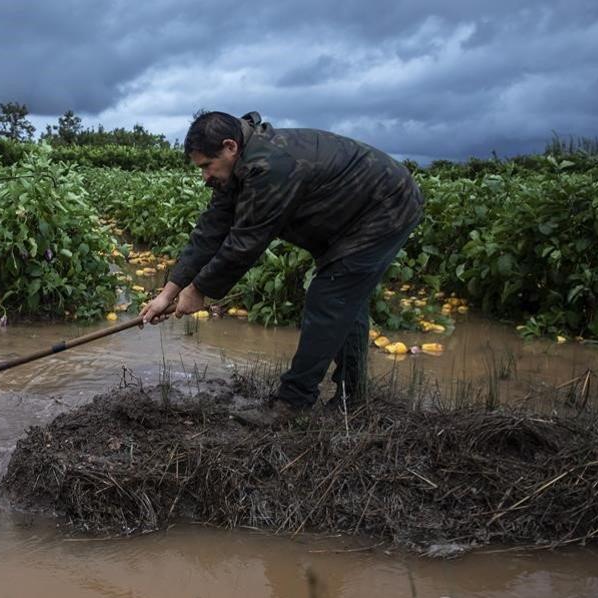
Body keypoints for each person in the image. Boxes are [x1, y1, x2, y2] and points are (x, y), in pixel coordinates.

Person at [140, 111, 423, 424]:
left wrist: (199, 291)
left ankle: (293, 402)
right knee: (346, 301)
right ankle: (351, 396)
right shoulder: (237, 169)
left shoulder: (270, 167)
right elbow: (211, 230)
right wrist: (169, 292)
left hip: (385, 207)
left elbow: (244, 243)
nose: (204, 176)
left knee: (329, 296)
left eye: (207, 165)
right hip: (347, 216)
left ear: (230, 147)